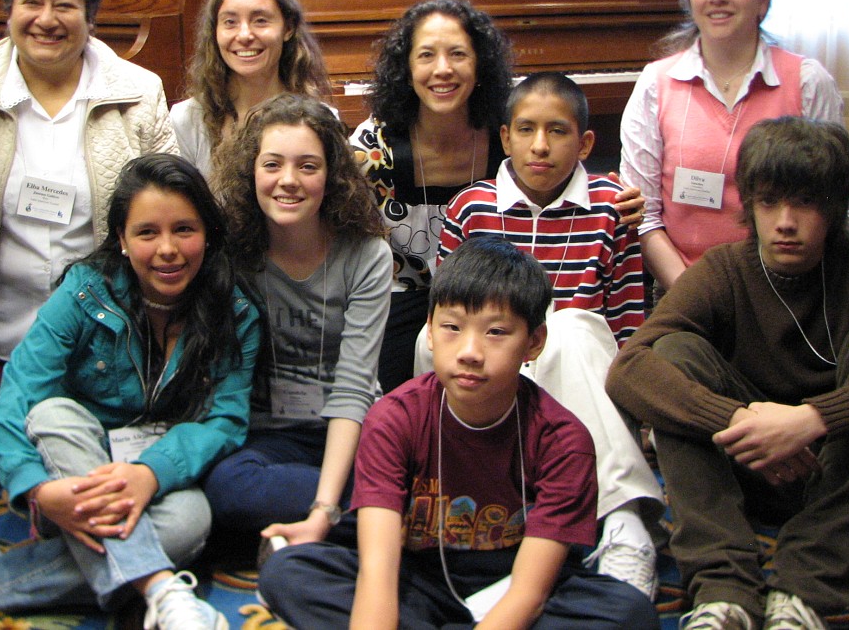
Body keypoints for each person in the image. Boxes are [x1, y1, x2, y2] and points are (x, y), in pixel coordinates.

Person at [0, 154, 260, 629]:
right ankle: (162, 588)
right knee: (53, 413)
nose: (168, 249)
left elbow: (225, 419)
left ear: (208, 232)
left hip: (160, 468)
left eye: (185, 229)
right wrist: (39, 489)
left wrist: (151, 473)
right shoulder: (85, 291)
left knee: (189, 525)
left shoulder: (234, 311)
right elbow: (18, 393)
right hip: (76, 461)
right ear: (120, 239)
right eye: (146, 233)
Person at [606, 117, 849, 630]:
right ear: (749, 205)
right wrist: (737, 419)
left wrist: (815, 419)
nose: (786, 222)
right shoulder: (725, 270)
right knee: (676, 353)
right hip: (753, 466)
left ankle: (805, 592)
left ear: (836, 208)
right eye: (770, 202)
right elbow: (629, 369)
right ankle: (723, 590)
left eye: (806, 203)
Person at [259, 237, 658, 629]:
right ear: (429, 332)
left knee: (628, 612)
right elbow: (378, 576)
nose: (470, 351)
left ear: (534, 342)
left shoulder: (563, 440)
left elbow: (528, 593)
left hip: (513, 580)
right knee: (289, 572)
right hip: (419, 580)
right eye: (452, 327)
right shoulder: (393, 420)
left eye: (496, 332)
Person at [415, 72, 664, 600]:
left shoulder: (610, 208)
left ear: (586, 142)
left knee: (572, 324)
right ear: (505, 138)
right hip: (488, 361)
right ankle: (444, 483)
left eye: (557, 131)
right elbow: (447, 313)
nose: (541, 146)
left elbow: (625, 325)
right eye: (526, 130)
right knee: (427, 340)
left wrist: (639, 414)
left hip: (573, 370)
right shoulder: (471, 208)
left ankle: (622, 521)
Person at [0, 0, 177, 486]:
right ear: (8, 9)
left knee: (97, 468)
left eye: (65, 5)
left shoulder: (139, 93)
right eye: (32, 3)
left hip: (104, 336)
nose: (47, 19)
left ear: (90, 16)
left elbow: (170, 216)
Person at [351, 0, 644, 394]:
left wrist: (606, 193)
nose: (443, 69)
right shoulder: (373, 146)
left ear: (481, 65)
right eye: (426, 55)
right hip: (412, 293)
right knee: (403, 385)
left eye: (458, 54)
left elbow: (552, 172)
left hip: (503, 291)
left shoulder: (508, 129)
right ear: (406, 68)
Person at [204, 94, 392, 549]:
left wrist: (324, 505)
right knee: (226, 488)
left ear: (331, 177)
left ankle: (328, 520)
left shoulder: (366, 256)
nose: (288, 181)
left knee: (398, 477)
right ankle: (375, 517)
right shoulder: (231, 253)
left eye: (308, 166)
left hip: (350, 431)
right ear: (252, 172)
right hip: (270, 438)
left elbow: (354, 386)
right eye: (272, 164)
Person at [619, 0, 849, 294]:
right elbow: (643, 216)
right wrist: (693, 296)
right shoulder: (655, 83)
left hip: (791, 287)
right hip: (685, 287)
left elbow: (840, 196)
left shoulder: (807, 82)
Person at [170, 0, 331, 178]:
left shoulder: (322, 120)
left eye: (260, 20)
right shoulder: (187, 119)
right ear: (215, 31)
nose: (244, 35)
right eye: (230, 22)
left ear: (288, 28)